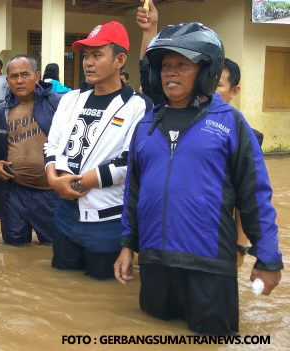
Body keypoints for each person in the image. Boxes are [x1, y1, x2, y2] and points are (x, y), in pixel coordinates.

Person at [114, 22, 282, 335]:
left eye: (182, 65)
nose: (170, 73)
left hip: (208, 265)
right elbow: (133, 192)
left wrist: (268, 258)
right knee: (153, 334)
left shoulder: (231, 123)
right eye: (165, 66)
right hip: (154, 263)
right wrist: (127, 245)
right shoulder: (146, 125)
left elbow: (255, 195)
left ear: (206, 71)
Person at [136, 0, 264, 267]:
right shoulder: (160, 120)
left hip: (210, 251)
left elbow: (248, 198)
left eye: (219, 85)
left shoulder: (240, 131)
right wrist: (151, 31)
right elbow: (150, 80)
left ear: (233, 90)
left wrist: (241, 244)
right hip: (162, 250)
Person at [44, 22, 151, 280]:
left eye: (97, 55)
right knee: (61, 285)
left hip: (107, 221)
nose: (88, 63)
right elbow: (52, 144)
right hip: (65, 215)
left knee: (102, 291)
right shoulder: (70, 99)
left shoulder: (137, 106)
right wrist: (52, 179)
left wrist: (85, 182)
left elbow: (131, 161)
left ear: (120, 60)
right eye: (86, 55)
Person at [0, 55, 61, 245]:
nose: (19, 81)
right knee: (14, 252)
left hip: (50, 193)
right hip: (13, 194)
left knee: (54, 249)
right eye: (14, 76)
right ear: (7, 80)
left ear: (37, 76)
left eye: (25, 74)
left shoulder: (58, 105)